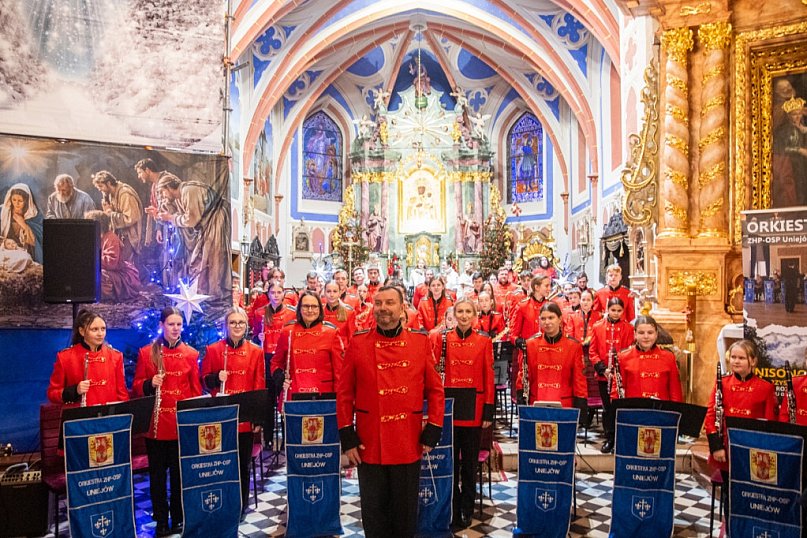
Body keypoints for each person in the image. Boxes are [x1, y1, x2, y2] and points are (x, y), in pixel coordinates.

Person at [337, 286, 445, 537]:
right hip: (369, 443)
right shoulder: (358, 342)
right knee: (373, 516)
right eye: (379, 303)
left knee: (405, 516)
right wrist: (347, 436)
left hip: (407, 442)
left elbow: (436, 391)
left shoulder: (419, 342)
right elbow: (344, 394)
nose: (383, 308)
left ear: (402, 307)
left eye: (390, 303)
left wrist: (434, 428)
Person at [132, 307, 201, 537]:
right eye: (171, 324)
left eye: (179, 324)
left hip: (180, 424)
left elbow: (194, 391)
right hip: (156, 426)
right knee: (158, 477)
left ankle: (178, 516)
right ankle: (161, 519)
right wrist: (150, 382)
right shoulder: (146, 353)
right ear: (162, 325)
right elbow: (135, 387)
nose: (175, 328)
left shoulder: (191, 353)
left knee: (179, 476)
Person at [429, 299, 493, 528]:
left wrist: (488, 409)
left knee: (469, 463)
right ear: (454, 315)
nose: (464, 316)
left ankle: (468, 504)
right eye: (460, 312)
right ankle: (452, 505)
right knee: (450, 462)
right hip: (449, 407)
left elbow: (488, 376)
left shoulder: (484, 340)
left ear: (475, 315)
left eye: (468, 312)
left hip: (474, 408)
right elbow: (435, 370)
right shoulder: (442, 338)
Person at [704, 340, 776, 529]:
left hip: (754, 453)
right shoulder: (723, 383)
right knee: (731, 495)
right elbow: (711, 415)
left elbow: (770, 423)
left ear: (753, 361)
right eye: (733, 357)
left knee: (753, 495)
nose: (736, 361)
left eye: (741, 358)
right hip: (726, 451)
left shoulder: (765, 387)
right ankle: (732, 530)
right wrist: (716, 446)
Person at [200, 307, 265, 517]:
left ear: (246, 326)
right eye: (233, 323)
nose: (237, 326)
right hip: (221, 417)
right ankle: (222, 503)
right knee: (222, 465)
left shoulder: (256, 351)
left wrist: (257, 418)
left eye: (241, 323)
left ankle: (240, 506)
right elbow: (204, 380)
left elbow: (258, 386)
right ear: (225, 326)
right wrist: (216, 378)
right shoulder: (213, 350)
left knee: (242, 465)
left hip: (244, 419)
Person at [156, 174, 230, 295]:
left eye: (163, 191)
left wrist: (170, 217)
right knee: (199, 260)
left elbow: (191, 220)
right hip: (206, 226)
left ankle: (213, 294)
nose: (163, 196)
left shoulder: (188, 191)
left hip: (215, 221)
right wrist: (160, 216)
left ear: (169, 187)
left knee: (211, 258)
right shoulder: (180, 197)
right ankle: (204, 292)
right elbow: (177, 215)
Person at [271, 291, 344, 402]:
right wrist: (280, 378)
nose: (310, 310)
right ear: (299, 308)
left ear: (320, 309)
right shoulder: (287, 331)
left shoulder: (331, 333)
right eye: (305, 306)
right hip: (293, 394)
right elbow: (276, 363)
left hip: (323, 397)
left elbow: (339, 372)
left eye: (314, 306)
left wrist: (338, 401)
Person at [47, 309, 129, 406]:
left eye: (103, 329)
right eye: (94, 329)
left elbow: (122, 393)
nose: (100, 334)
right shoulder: (65, 357)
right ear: (82, 331)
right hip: (80, 416)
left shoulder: (116, 356)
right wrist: (75, 390)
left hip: (109, 416)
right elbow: (52, 394)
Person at [516, 302, 587, 408]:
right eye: (543, 319)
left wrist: (581, 415)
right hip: (536, 403)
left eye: (551, 317)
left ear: (559, 319)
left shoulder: (574, 346)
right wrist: (521, 403)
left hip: (565, 406)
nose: (547, 322)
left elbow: (579, 382)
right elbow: (523, 377)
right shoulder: (529, 344)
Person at [588, 297, 635, 453]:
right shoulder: (597, 326)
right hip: (604, 375)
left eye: (619, 311)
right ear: (607, 309)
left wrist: (618, 369)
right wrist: (603, 369)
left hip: (621, 375)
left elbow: (629, 351)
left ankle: (622, 438)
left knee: (621, 407)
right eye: (613, 310)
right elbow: (592, 351)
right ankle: (609, 437)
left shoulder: (628, 328)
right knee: (607, 408)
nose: (615, 313)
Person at [614, 316, 682, 401]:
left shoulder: (669, 357)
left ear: (656, 334)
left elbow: (675, 392)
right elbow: (616, 392)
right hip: (634, 411)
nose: (646, 336)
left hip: (661, 411)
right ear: (635, 334)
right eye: (641, 333)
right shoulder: (623, 357)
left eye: (650, 333)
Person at [85, 210, 140, 301]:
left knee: (100, 275)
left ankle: (107, 296)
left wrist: (92, 259)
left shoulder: (111, 238)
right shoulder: (94, 237)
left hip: (116, 273)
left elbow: (111, 263)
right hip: (101, 268)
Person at [92, 170, 143, 262]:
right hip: (121, 235)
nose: (99, 189)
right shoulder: (111, 194)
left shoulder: (125, 194)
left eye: (101, 186)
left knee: (126, 265)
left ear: (108, 183)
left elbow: (132, 218)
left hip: (129, 237)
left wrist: (110, 213)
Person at [0, 183, 43, 263]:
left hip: (24, 251)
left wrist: (23, 224)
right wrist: (4, 241)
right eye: (14, 200)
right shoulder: (3, 212)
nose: (16, 204)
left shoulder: (34, 215)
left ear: (26, 201)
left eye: (20, 201)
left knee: (24, 260)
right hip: (4, 249)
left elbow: (39, 241)